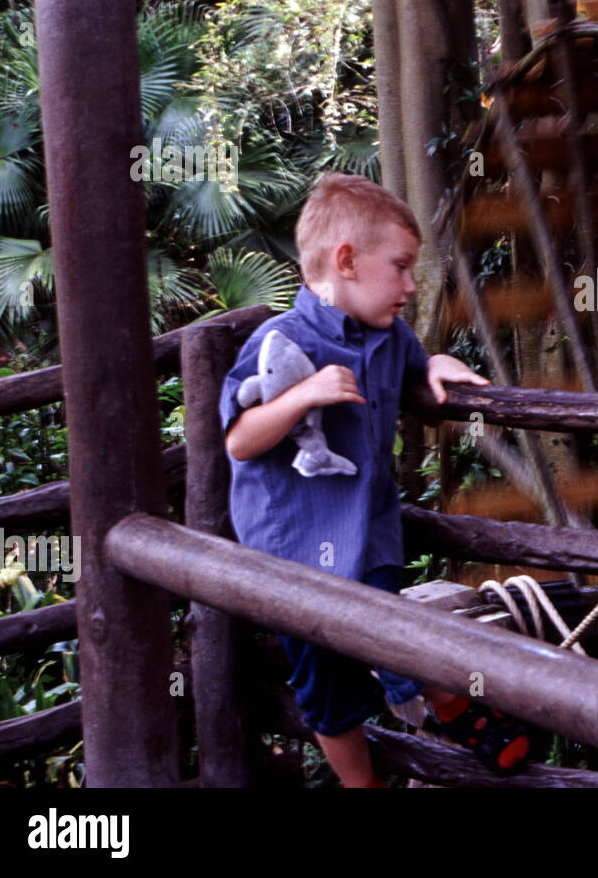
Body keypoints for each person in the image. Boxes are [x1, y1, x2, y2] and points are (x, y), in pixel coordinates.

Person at [219, 172, 530, 786]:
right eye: (402, 267)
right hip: (295, 557)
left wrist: (436, 361)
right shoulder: (278, 339)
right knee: (327, 688)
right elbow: (238, 439)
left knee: (395, 636)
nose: (412, 286)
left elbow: (419, 361)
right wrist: (301, 395)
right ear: (347, 262)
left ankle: (451, 707)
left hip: (371, 535)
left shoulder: (393, 338)